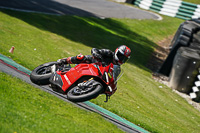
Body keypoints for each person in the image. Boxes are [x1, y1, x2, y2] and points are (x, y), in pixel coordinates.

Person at [57, 45, 131, 81]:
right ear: (117, 52)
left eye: (124, 59)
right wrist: (96, 54)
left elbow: (113, 79)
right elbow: (95, 49)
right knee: (81, 57)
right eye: (121, 57)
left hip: (98, 74)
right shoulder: (108, 53)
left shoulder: (117, 69)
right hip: (91, 63)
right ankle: (64, 61)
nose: (121, 59)